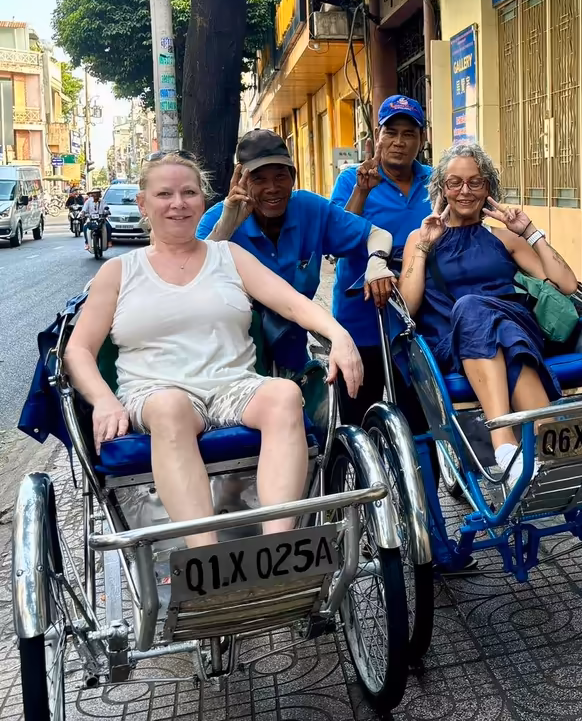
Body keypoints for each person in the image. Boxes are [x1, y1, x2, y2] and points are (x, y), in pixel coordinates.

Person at [63, 151, 363, 547]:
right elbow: (78, 350)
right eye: (164, 194)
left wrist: (339, 336)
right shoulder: (119, 271)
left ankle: (280, 549)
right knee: (171, 409)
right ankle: (205, 559)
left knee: (285, 394)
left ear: (203, 201)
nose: (178, 203)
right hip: (153, 392)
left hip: (232, 386)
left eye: (189, 192)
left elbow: (291, 302)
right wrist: (103, 400)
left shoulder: (229, 256)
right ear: (143, 203)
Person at [398, 142, 579, 481]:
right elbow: (408, 306)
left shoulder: (504, 239)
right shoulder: (420, 238)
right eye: (455, 182)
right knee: (479, 316)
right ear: (441, 189)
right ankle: (549, 439)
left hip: (515, 327)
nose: (465, 191)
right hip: (452, 344)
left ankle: (508, 445)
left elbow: (566, 284)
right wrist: (424, 246)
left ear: (488, 189)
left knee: (498, 326)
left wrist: (529, 231)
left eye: (475, 182)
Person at [197, 129, 395, 382]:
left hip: (293, 359)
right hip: (230, 364)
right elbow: (193, 278)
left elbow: (376, 234)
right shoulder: (217, 219)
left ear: (293, 176)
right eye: (258, 179)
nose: (272, 188)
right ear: (241, 181)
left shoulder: (309, 208)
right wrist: (226, 226)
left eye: (280, 176)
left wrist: (377, 264)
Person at [332, 95, 432, 426]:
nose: (399, 142)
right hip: (361, 319)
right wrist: (362, 191)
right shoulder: (351, 179)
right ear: (378, 135)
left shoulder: (434, 180)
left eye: (409, 133)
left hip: (415, 321)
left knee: (420, 418)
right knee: (359, 418)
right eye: (391, 132)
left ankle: (422, 476)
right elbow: (337, 242)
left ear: (422, 138)